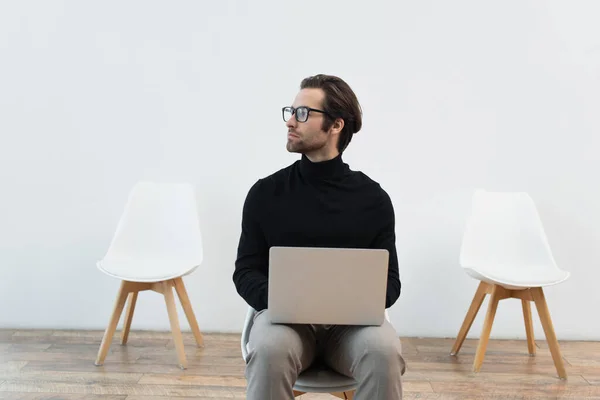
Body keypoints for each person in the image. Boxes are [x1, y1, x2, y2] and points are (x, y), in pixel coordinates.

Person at [233, 74, 406, 399]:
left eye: (303, 114)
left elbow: (392, 283)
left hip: (352, 330)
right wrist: (285, 299)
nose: (290, 122)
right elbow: (245, 271)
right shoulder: (265, 194)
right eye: (290, 111)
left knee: (384, 350)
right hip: (286, 326)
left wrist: (355, 301)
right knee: (270, 347)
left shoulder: (373, 200)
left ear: (336, 125)